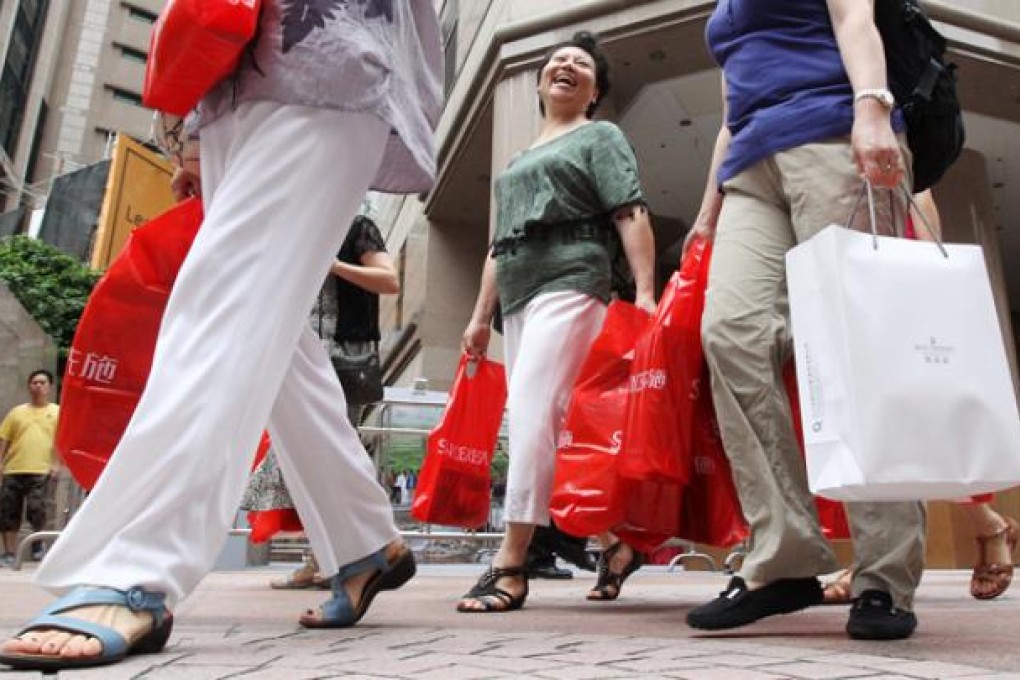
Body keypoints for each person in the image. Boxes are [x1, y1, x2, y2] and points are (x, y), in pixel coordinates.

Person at [0, 1, 441, 671]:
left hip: (328, 54)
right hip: (237, 71)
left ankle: (135, 562)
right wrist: (197, 134)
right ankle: (362, 539)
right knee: (275, 332)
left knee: (225, 298)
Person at [684, 0, 926, 641]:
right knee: (730, 333)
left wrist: (872, 110)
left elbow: (855, 21)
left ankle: (884, 577)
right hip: (750, 170)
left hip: (832, 135)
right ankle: (786, 556)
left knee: (858, 345)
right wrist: (707, 210)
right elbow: (732, 107)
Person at [458, 31, 656, 613]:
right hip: (518, 291)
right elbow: (499, 242)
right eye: (558, 61)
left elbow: (631, 209)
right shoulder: (519, 160)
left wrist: (645, 293)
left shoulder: (600, 135)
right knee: (556, 417)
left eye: (581, 64)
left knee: (531, 411)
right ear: (543, 83)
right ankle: (614, 542)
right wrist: (477, 317)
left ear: (593, 92)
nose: (566, 65)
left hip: (574, 277)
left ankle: (512, 562)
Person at [822, 190, 1019, 604]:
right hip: (849, 273)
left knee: (916, 425)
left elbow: (919, 188)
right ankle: (986, 525)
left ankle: (877, 559)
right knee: (875, 429)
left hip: (893, 277)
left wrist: (935, 288)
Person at [244, 212, 402, 590]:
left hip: (343, 362)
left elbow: (389, 280)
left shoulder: (355, 226)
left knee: (329, 457)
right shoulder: (292, 228)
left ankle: (361, 551)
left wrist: (332, 265)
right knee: (306, 460)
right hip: (296, 358)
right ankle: (329, 557)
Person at [0, 370, 60, 567]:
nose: (38, 386)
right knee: (8, 511)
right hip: (13, 469)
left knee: (37, 509)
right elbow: (5, 439)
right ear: (29, 386)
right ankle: (9, 553)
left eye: (42, 383)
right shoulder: (17, 412)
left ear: (50, 387)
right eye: (34, 382)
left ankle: (37, 545)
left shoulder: (57, 412)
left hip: (41, 469)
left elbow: (61, 441)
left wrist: (57, 464)